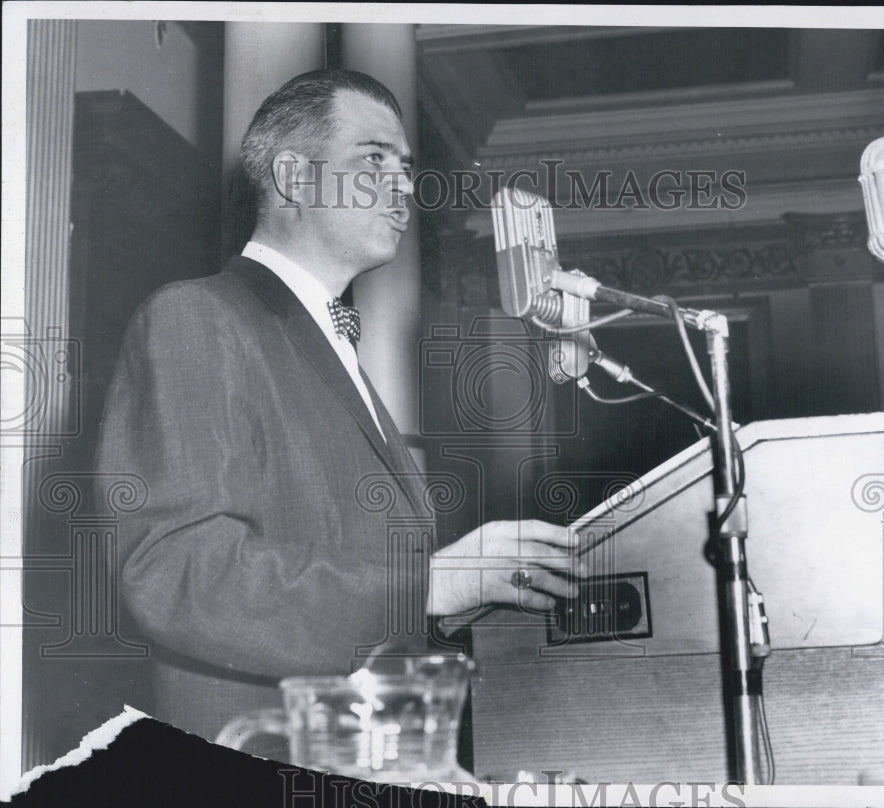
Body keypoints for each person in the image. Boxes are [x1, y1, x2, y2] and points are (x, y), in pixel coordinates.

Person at [95, 69, 582, 742]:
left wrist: (467, 602)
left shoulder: (330, 347)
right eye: (374, 160)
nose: (406, 186)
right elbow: (174, 571)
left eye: (407, 167)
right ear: (294, 177)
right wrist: (429, 588)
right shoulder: (196, 318)